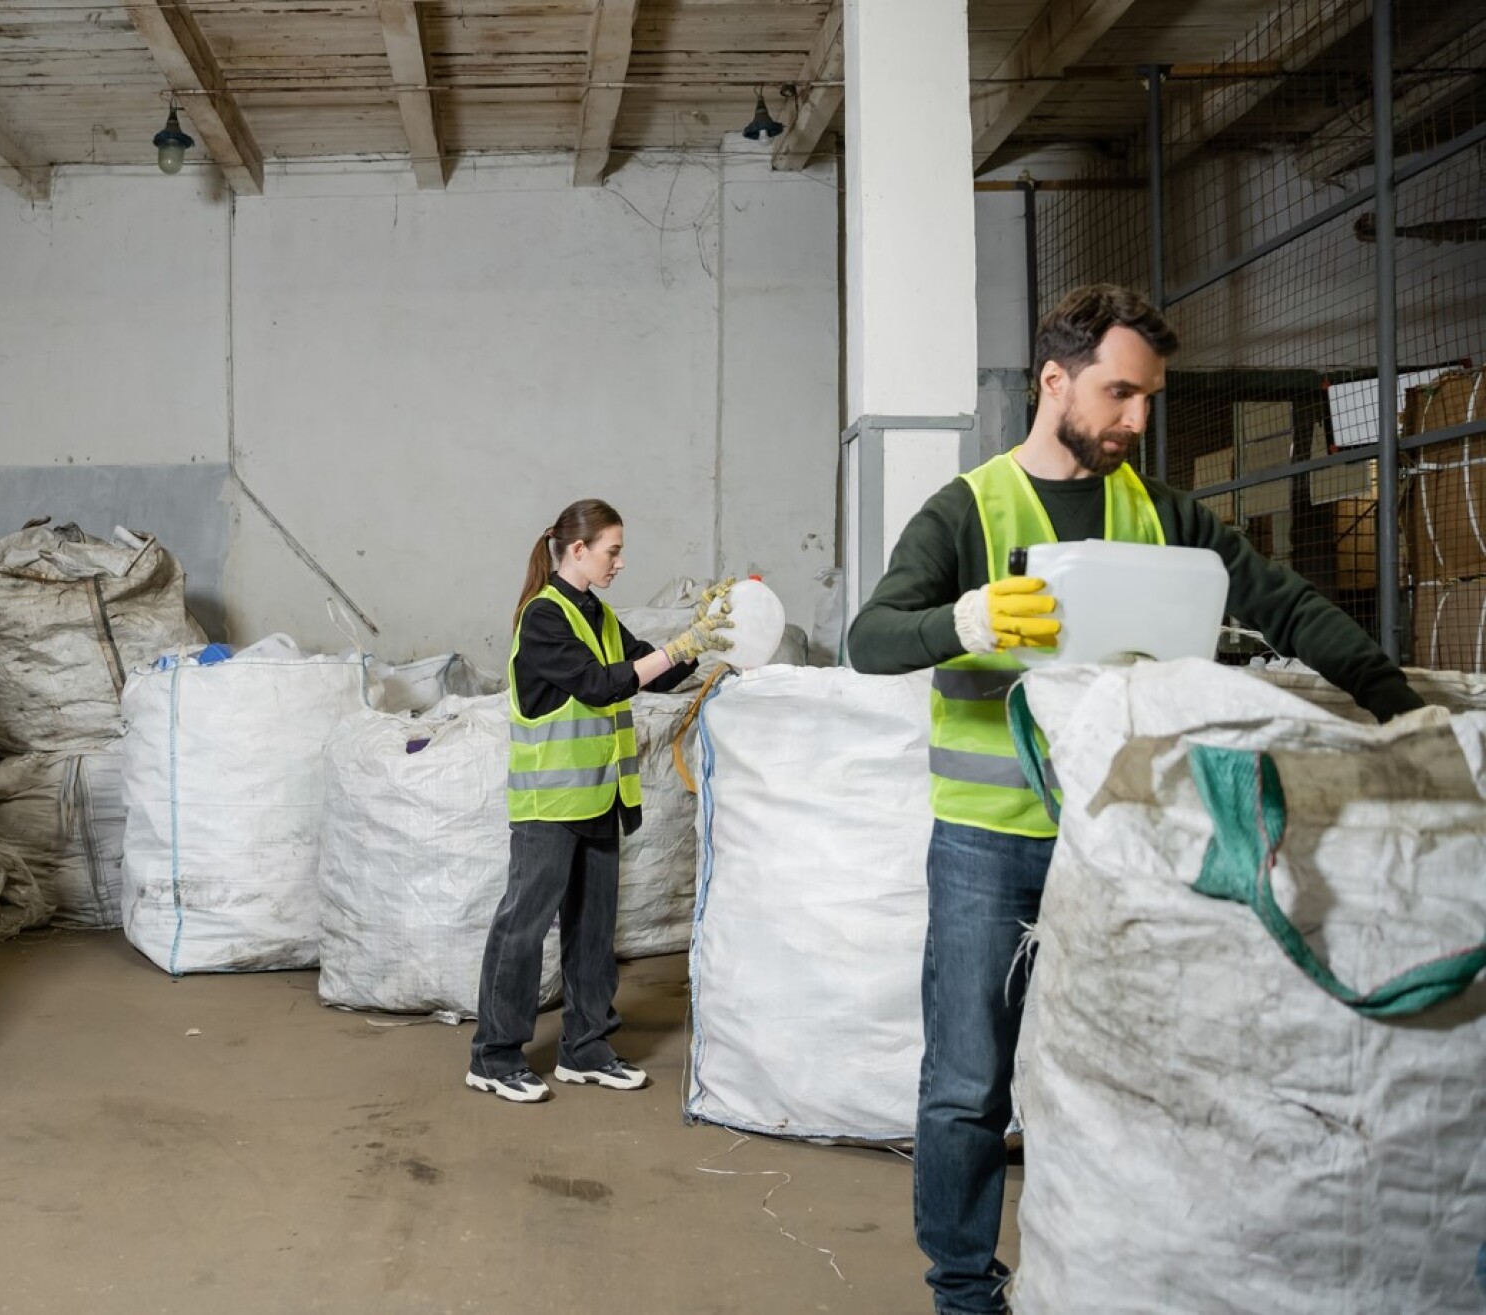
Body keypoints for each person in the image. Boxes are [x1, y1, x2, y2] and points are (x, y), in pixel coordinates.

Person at [847, 284, 1425, 1314]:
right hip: (988, 844)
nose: (1136, 420)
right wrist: (965, 619)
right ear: (1053, 381)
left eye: (1148, 398)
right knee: (966, 1084)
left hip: (1120, 844)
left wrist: (1396, 706)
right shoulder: (968, 509)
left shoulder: (1155, 513)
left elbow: (1281, 601)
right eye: (1119, 394)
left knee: (1127, 1067)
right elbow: (871, 638)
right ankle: (962, 1288)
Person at [466, 498, 734, 1104]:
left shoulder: (600, 616)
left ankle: (585, 1047)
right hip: (549, 806)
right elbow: (598, 684)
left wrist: (701, 638)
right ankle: (494, 1054)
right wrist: (681, 643)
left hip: (598, 799)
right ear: (578, 550)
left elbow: (653, 672)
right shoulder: (544, 617)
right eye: (612, 550)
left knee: (591, 933)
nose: (620, 561)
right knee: (523, 929)